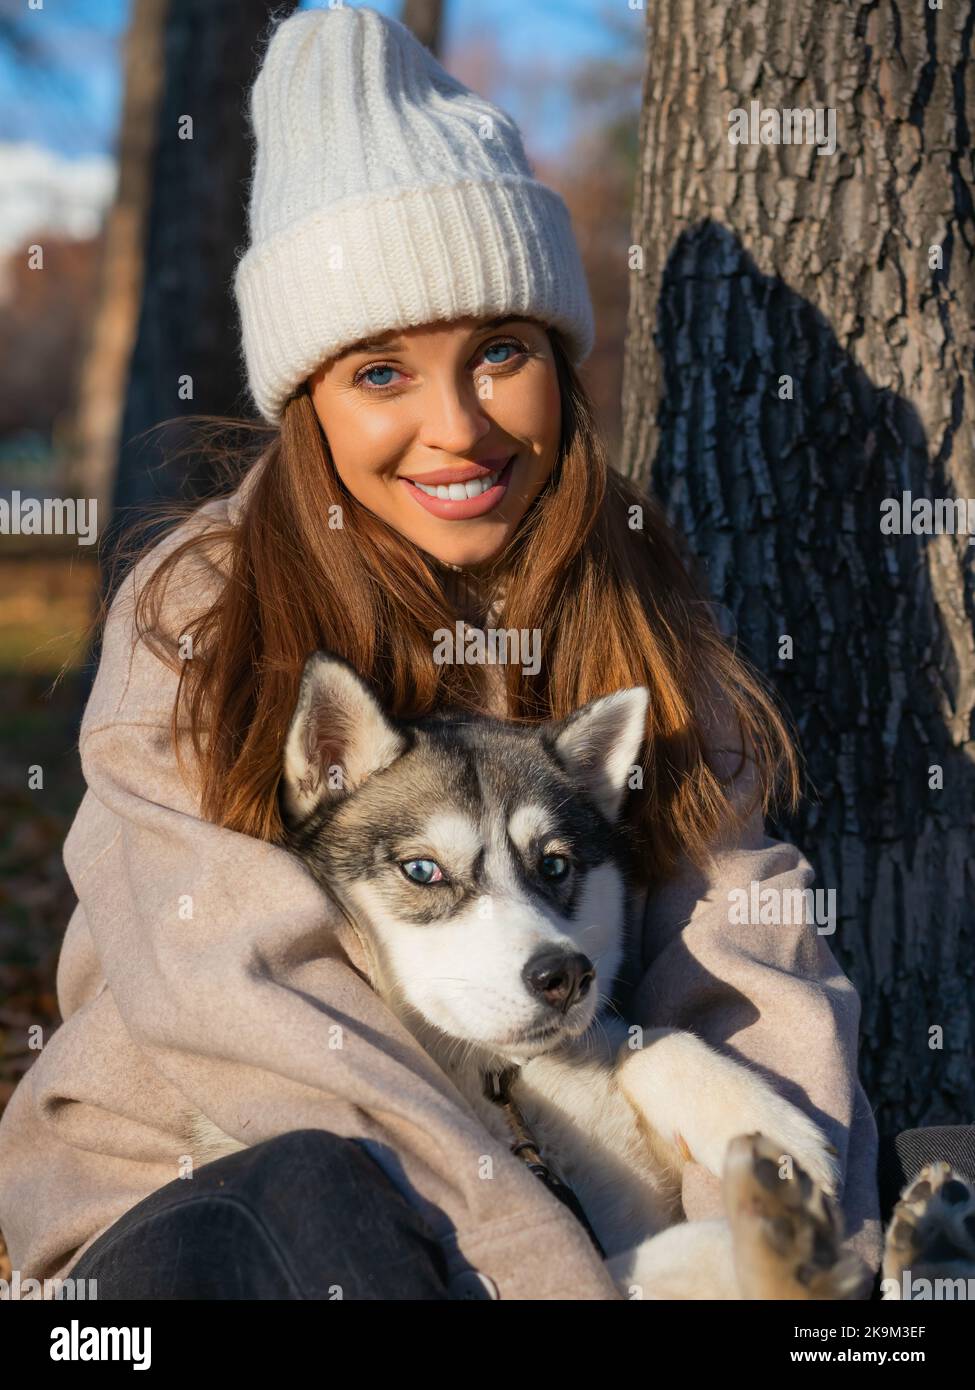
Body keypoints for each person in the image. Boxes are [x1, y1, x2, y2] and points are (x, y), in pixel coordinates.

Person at [0, 6, 890, 1300]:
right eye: (381, 374)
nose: (457, 426)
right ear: (307, 399)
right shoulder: (201, 611)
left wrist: (809, 1258)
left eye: (500, 352)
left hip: (536, 1205)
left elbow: (748, 970)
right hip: (193, 1208)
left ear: (559, 364)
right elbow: (251, 1004)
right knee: (321, 1189)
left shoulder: (632, 608)